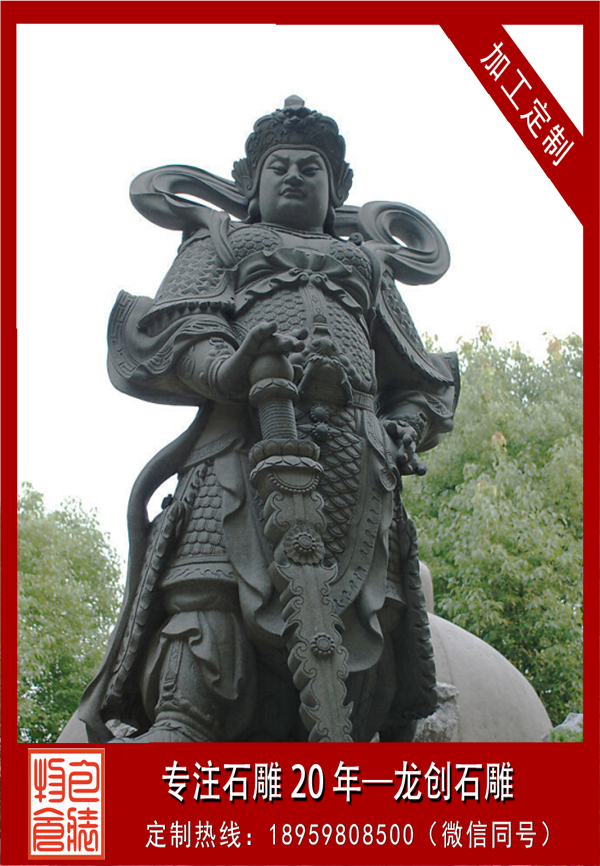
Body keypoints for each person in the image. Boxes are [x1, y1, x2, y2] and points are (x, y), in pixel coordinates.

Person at [77, 96, 459, 742]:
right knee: (209, 583)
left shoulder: (366, 266)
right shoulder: (221, 241)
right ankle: (184, 715)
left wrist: (404, 428)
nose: (294, 177)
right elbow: (177, 327)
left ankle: (362, 733)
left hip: (355, 459)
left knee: (374, 608)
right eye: (279, 167)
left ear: (335, 190)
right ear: (252, 187)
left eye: (311, 168)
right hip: (241, 442)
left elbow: (421, 382)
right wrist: (228, 370)